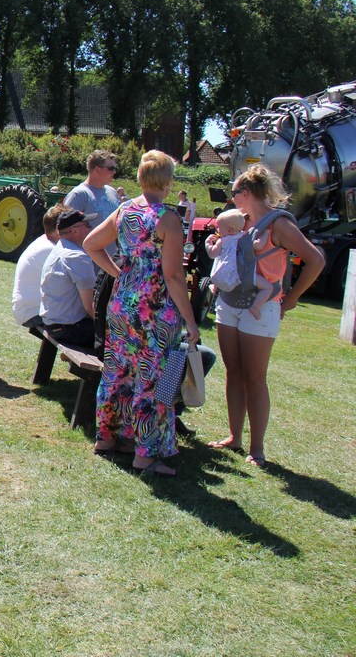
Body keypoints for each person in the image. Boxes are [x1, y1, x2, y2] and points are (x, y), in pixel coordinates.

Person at [84, 151, 200, 477]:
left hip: (122, 305)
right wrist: (191, 321)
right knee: (152, 380)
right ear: (167, 180)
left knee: (117, 372)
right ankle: (145, 455)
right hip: (155, 311)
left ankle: (107, 437)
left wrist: (119, 273)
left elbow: (91, 243)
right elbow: (174, 276)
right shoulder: (168, 219)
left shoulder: (125, 210)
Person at [207, 164, 323, 467]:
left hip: (261, 307)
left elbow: (316, 260)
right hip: (229, 304)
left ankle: (256, 449)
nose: (232, 198)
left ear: (245, 193)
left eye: (234, 192)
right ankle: (235, 437)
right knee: (233, 371)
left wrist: (291, 300)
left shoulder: (278, 224)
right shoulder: (240, 220)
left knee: (255, 377)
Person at [38, 209, 98, 349]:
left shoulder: (60, 249)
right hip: (69, 328)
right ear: (75, 231)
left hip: (53, 323)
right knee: (124, 339)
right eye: (88, 225)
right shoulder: (76, 257)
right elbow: (91, 307)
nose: (92, 228)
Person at [206, 208, 275, 320]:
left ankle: (215, 287)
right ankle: (255, 307)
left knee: (221, 265)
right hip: (242, 274)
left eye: (219, 227)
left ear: (230, 230)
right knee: (268, 288)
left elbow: (212, 254)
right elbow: (258, 245)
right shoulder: (245, 238)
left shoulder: (222, 241)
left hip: (222, 275)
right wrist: (266, 232)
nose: (217, 230)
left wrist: (208, 244)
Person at [12, 204, 70, 328]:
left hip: (30, 310)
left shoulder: (45, 242)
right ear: (58, 230)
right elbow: (71, 288)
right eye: (73, 227)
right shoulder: (51, 251)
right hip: (34, 313)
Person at [65, 150, 125, 256]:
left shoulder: (112, 192)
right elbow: (66, 231)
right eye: (111, 168)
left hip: (112, 260)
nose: (114, 172)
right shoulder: (79, 195)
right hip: (89, 261)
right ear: (97, 169)